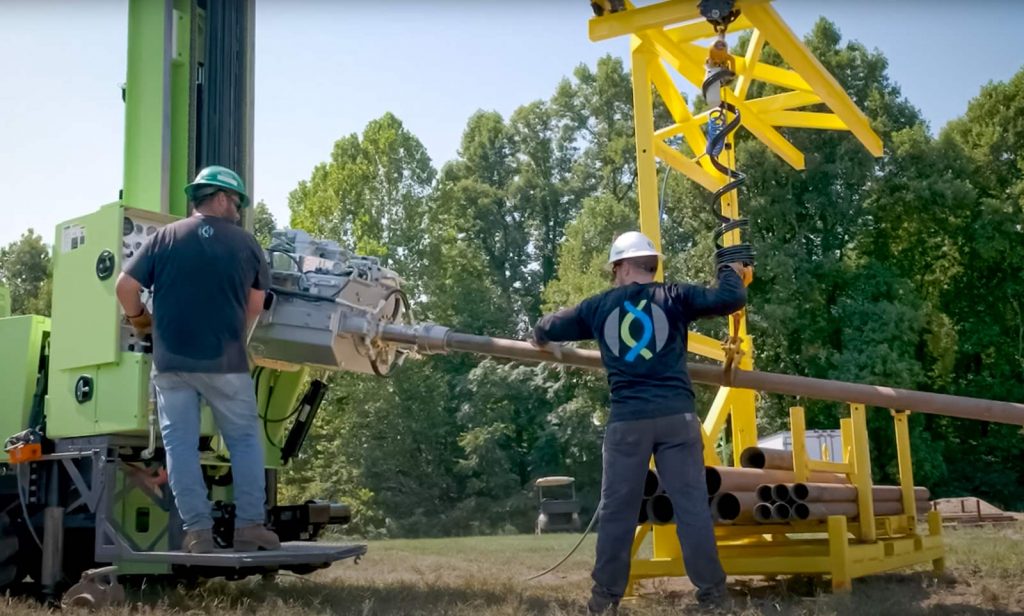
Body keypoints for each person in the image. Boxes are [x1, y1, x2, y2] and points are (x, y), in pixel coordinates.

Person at [532, 231, 749, 613]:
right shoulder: (676, 297)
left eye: (615, 268)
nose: (614, 275)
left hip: (627, 423)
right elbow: (730, 297)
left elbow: (546, 327)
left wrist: (541, 337)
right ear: (651, 265)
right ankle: (714, 598)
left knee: (617, 511)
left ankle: (604, 602)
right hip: (677, 419)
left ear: (624, 266)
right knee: (692, 509)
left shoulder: (598, 307)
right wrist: (729, 268)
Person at [115, 165, 280, 554]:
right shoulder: (246, 244)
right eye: (236, 202)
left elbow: (125, 287)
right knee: (242, 441)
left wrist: (139, 320)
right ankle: (250, 527)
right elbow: (256, 305)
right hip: (225, 363)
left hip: (171, 364)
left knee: (181, 447)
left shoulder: (165, 237)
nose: (238, 211)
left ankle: (198, 535)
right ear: (220, 198)